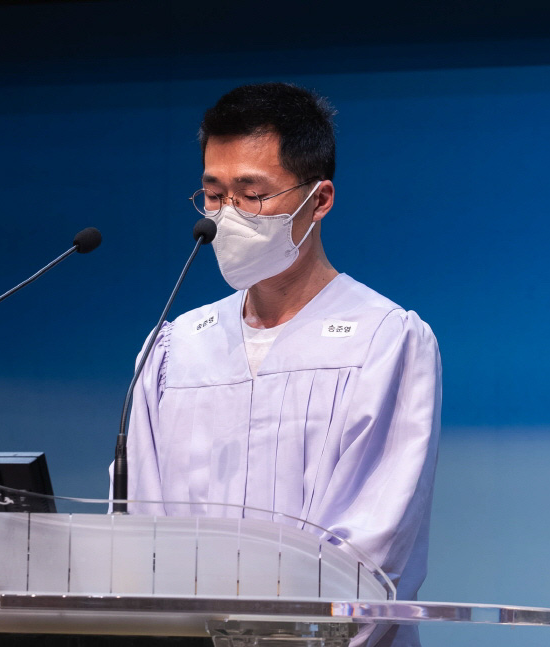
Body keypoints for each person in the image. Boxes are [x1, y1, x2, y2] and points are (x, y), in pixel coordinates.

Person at [126, 83, 441, 647]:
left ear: (318, 200)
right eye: (213, 194)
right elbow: (139, 527)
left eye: (251, 194)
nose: (227, 216)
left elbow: (373, 544)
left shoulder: (383, 340)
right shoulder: (175, 348)